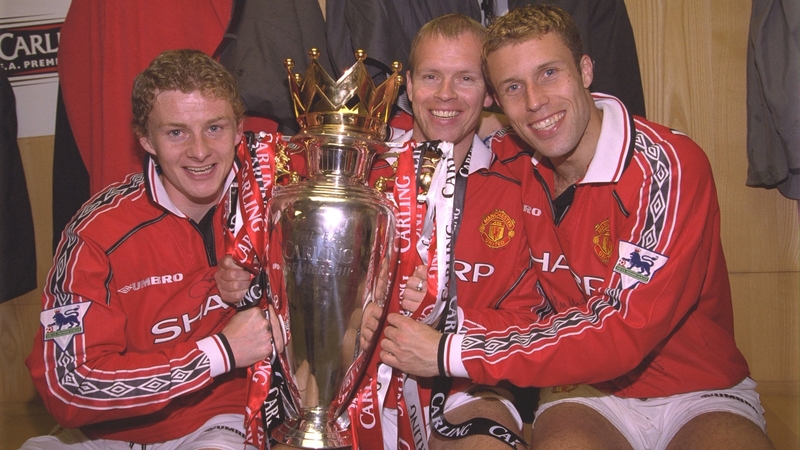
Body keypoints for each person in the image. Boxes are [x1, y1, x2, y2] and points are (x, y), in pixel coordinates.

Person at [380, 4, 776, 450]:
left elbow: (623, 328)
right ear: (499, 101)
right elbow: (430, 132)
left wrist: (448, 349)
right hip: (583, 391)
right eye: (514, 86)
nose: (534, 102)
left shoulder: (665, 166)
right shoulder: (513, 164)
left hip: (699, 389)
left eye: (549, 73)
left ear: (585, 70)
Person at [217, 14, 534, 450]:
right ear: (407, 87)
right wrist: (239, 277)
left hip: (467, 383)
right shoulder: (357, 167)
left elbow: (529, 317)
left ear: (490, 92)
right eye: (430, 76)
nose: (445, 95)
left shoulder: (518, 183)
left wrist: (444, 330)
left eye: (466, 78)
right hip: (353, 384)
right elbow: (287, 268)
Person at [22, 49, 276, 450]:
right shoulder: (96, 231)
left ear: (239, 128)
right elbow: (67, 385)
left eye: (215, 128)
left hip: (220, 424)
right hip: (109, 434)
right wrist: (218, 352)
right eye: (176, 132)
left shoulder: (274, 204)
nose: (199, 151)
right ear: (146, 139)